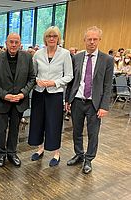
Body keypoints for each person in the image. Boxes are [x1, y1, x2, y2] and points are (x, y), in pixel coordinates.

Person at [65, 26, 114, 174]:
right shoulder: (77, 57)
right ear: (84, 40)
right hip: (78, 101)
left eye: (95, 39)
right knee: (76, 131)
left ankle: (89, 159)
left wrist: (104, 106)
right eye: (89, 39)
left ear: (99, 40)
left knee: (93, 133)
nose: (92, 42)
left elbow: (107, 85)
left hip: (95, 103)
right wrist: (68, 100)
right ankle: (79, 154)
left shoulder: (107, 59)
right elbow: (72, 81)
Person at [28, 26, 73, 167]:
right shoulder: (38, 54)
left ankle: (56, 153)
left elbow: (69, 76)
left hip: (55, 94)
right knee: (37, 122)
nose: (51, 38)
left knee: (53, 123)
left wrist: (54, 82)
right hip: (39, 93)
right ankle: (40, 149)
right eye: (49, 36)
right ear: (45, 38)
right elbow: (32, 74)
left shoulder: (65, 54)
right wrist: (37, 80)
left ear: (58, 38)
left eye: (54, 36)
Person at [0, 33, 36, 167]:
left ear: (20, 43)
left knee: (15, 129)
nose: (14, 45)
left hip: (19, 101)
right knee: (1, 130)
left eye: (16, 42)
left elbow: (32, 78)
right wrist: (4, 95)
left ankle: (11, 153)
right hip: (2, 101)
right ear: (6, 43)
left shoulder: (27, 58)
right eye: (11, 42)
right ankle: (0, 154)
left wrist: (23, 93)